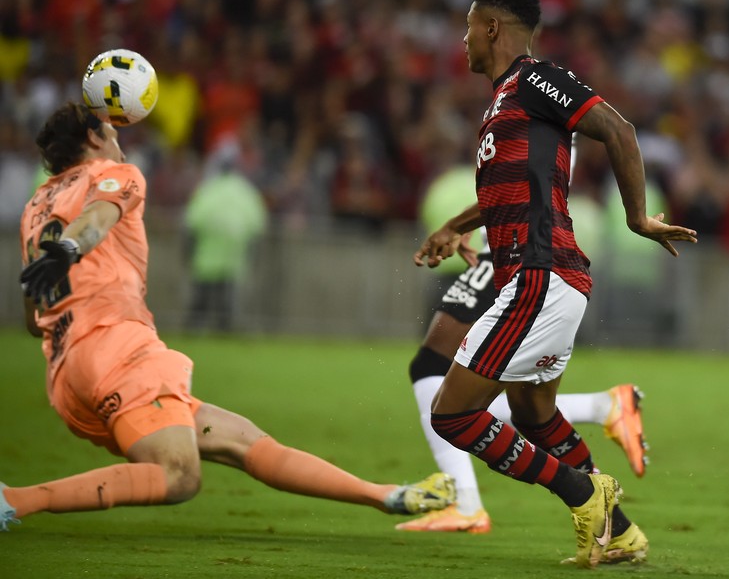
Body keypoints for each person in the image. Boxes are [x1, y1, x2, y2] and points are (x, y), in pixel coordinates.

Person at [3, 103, 455, 533]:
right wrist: (70, 249)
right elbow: (98, 218)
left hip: (66, 373)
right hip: (116, 351)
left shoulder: (36, 206)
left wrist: (63, 262)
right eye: (112, 132)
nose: (119, 141)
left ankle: (385, 495)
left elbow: (33, 316)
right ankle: (14, 499)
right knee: (178, 475)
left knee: (243, 441)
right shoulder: (114, 173)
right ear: (92, 137)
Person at [412, 0, 697, 567]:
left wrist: (637, 217)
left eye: (469, 26)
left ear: (492, 27)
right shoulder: (503, 101)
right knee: (534, 415)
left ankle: (584, 493)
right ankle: (619, 533)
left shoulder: (532, 79)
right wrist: (456, 226)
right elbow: (513, 187)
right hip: (546, 279)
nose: (463, 39)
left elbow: (618, 129)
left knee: (451, 414)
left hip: (538, 276)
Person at [399, 224, 649, 534]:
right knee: (527, 409)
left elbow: (526, 191)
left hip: (522, 255)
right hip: (528, 256)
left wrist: (458, 225)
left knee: (439, 378)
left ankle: (466, 503)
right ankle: (613, 516)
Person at [184, 145, 268, 332]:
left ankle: (195, 331)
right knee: (227, 306)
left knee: (200, 304)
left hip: (206, 258)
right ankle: (225, 332)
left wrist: (188, 253)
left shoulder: (207, 190)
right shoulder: (246, 192)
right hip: (234, 258)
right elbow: (258, 224)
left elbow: (192, 221)